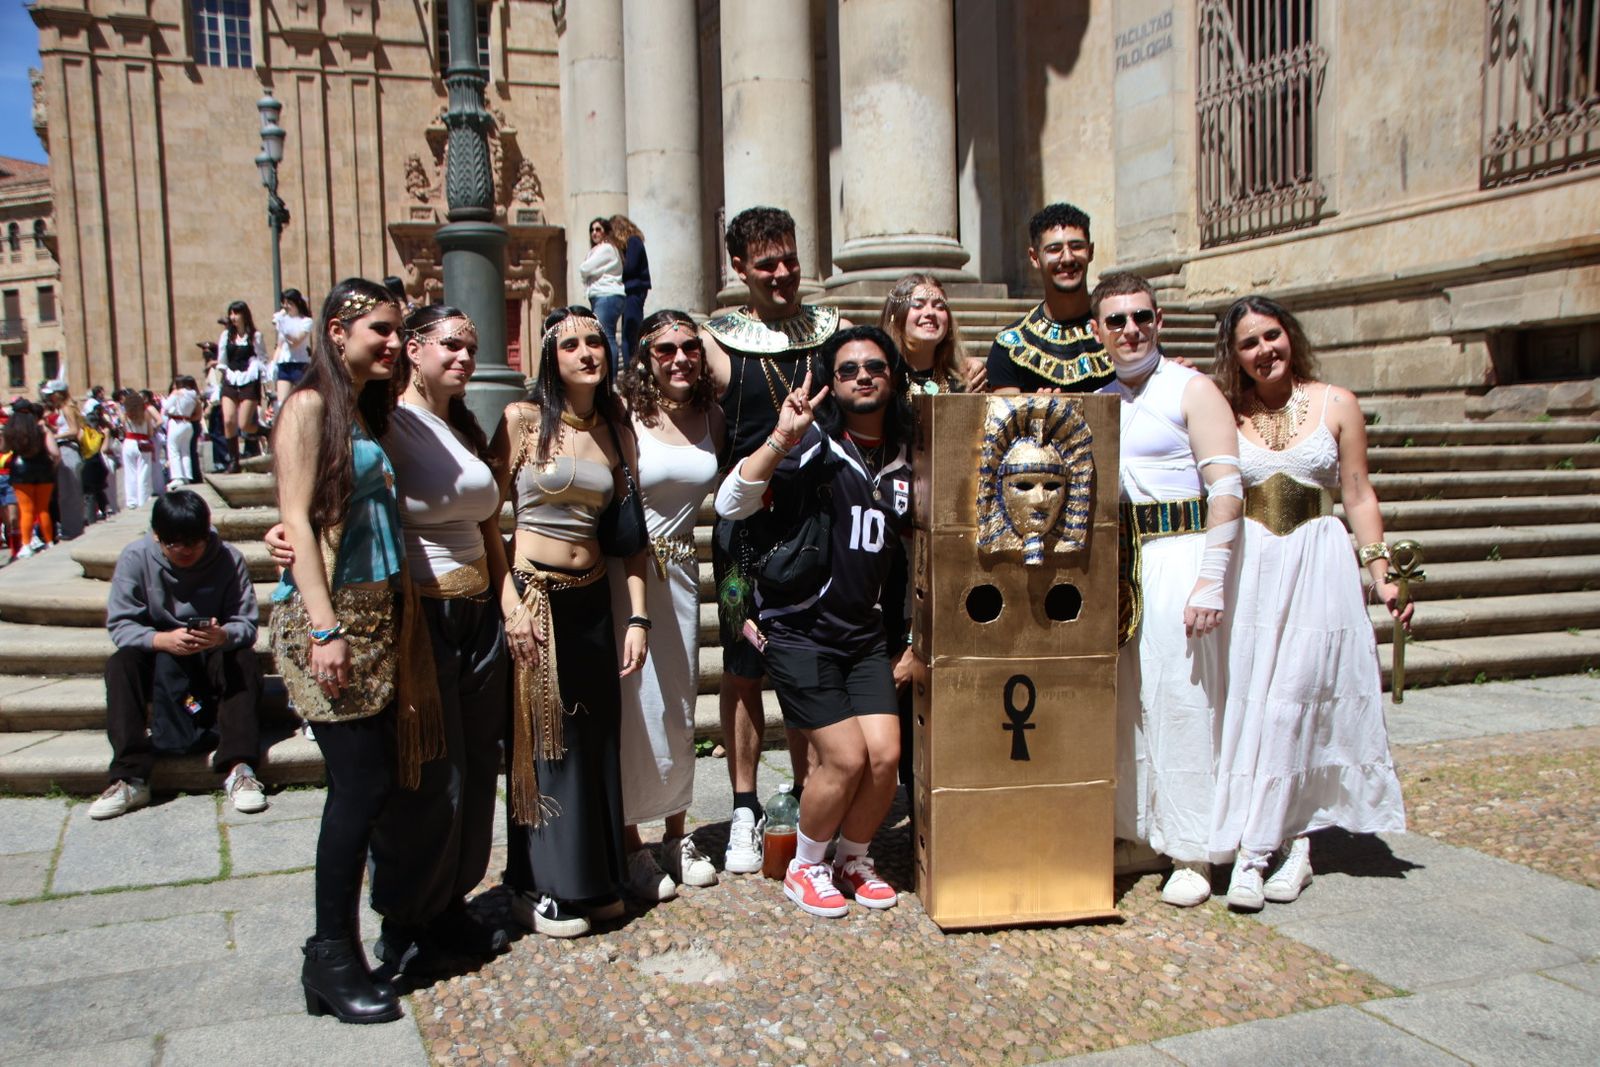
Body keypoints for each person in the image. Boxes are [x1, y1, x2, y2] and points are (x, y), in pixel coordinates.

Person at [270, 277, 438, 1025]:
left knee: (370, 788)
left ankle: (341, 951)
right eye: (382, 329)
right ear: (337, 331)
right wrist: (323, 628)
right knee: (358, 789)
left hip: (377, 618)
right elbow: (296, 521)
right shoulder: (307, 406)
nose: (395, 342)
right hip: (333, 622)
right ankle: (331, 954)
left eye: (399, 330)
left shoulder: (363, 410)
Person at [1208, 296, 1410, 910]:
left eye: (1272, 336)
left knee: (1296, 703)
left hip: (1318, 564)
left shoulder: (1336, 403)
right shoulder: (1226, 411)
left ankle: (1273, 851)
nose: (1264, 350)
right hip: (1252, 568)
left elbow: (1358, 492)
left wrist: (1382, 575)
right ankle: (1272, 841)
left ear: (1289, 336)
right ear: (1234, 355)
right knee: (1253, 703)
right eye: (1248, 343)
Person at [715, 325, 912, 917]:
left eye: (874, 367)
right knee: (845, 758)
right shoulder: (813, 445)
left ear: (893, 377)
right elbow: (730, 504)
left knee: (885, 758)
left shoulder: (910, 455)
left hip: (864, 635)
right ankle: (805, 864)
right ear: (832, 381)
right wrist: (782, 435)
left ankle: (852, 858)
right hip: (801, 630)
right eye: (848, 369)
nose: (862, 377)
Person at [492, 305, 650, 938]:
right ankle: (539, 884)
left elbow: (630, 537)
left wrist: (638, 617)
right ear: (550, 359)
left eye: (596, 341)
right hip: (535, 598)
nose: (587, 353)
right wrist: (509, 604)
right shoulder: (522, 420)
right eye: (571, 345)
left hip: (592, 603)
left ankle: (595, 877)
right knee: (546, 740)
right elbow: (484, 520)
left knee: (593, 741)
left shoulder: (616, 429)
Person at [701, 206, 848, 875]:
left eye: (790, 259)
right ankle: (743, 806)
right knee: (742, 665)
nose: (783, 273)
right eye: (767, 264)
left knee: (812, 659)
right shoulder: (716, 345)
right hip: (745, 533)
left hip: (818, 525)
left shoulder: (831, 331)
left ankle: (809, 793)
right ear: (740, 268)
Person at [1092, 272, 1242, 909]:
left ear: (1159, 321)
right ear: (1098, 331)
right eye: (1117, 320)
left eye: (1142, 317)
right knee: (1128, 700)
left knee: (1183, 699)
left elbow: (1228, 488)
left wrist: (1211, 578)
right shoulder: (1100, 398)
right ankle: (1140, 832)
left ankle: (1193, 849)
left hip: (1181, 552)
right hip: (1123, 563)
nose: (1131, 330)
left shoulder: (1192, 387)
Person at [612, 310, 724, 901]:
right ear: (645, 358)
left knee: (680, 704)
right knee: (634, 706)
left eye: (690, 347)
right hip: (627, 573)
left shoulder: (714, 416)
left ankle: (677, 833)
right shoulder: (623, 415)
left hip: (681, 570)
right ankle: (630, 842)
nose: (680, 358)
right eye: (665, 350)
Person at [90, 490, 265, 820]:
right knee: (121, 664)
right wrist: (160, 639)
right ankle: (130, 775)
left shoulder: (229, 559)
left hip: (211, 652)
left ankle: (239, 767)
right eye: (174, 543)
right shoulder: (135, 557)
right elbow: (121, 625)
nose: (185, 551)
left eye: (194, 543)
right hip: (158, 653)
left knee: (243, 660)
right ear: (157, 535)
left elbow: (246, 623)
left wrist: (222, 635)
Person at [988, 202, 1115, 396]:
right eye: (1054, 249)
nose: (1067, 258)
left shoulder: (1125, 329)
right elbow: (1004, 414)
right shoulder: (1010, 346)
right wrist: (1034, 410)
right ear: (1034, 257)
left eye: (1077, 247)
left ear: (1090, 252)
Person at [878, 273, 985, 398]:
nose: (930, 313)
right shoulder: (880, 379)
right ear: (895, 317)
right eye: (918, 306)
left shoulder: (966, 381)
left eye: (939, 307)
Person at [3, 400, 59, 557]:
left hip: (20, 470)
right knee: (43, 508)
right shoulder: (41, 429)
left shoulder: (11, 430)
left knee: (26, 510)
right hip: (43, 469)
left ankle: (27, 545)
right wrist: (53, 467)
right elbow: (55, 453)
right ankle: (49, 541)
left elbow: (4, 449)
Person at [218, 300, 266, 472]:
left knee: (244, 424)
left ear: (244, 315)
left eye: (236, 313)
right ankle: (234, 461)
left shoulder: (255, 336)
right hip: (231, 379)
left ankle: (267, 432)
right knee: (228, 420)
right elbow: (222, 360)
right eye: (231, 313)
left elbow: (262, 358)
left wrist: (261, 378)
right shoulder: (226, 336)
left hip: (248, 380)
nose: (233, 317)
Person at [42, 380, 87, 541]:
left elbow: (74, 430)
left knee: (69, 493)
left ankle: (72, 530)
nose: (49, 398)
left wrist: (55, 436)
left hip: (68, 449)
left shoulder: (67, 408)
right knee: (67, 493)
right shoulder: (65, 408)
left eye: (51, 395)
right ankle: (71, 528)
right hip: (67, 450)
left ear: (58, 394)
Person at [580, 217, 626, 366]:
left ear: (606, 231)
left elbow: (585, 268)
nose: (594, 233)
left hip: (607, 296)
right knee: (605, 335)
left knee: (606, 336)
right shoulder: (598, 249)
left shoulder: (606, 248)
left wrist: (588, 272)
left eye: (598, 229)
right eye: (592, 230)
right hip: (602, 296)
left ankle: (611, 376)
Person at [612, 214, 651, 364]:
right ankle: (631, 365)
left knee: (632, 331)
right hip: (629, 291)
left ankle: (634, 365)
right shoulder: (632, 243)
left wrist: (614, 268)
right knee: (628, 332)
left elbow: (630, 267)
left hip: (634, 290)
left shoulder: (633, 241)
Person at [272, 288, 316, 414]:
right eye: (284, 303)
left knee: (301, 401)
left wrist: (284, 327)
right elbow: (280, 346)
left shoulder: (306, 321)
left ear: (297, 303)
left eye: (290, 303)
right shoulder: (283, 321)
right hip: (284, 365)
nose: (286, 306)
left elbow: (296, 341)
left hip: (299, 365)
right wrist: (273, 364)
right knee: (282, 404)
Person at [119, 390, 160, 509]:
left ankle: (131, 501)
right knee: (143, 472)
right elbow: (150, 432)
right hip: (143, 442)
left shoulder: (124, 415)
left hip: (128, 442)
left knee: (129, 472)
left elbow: (124, 430)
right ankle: (143, 499)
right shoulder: (146, 413)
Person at [164, 375, 202, 485]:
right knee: (186, 451)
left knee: (173, 450)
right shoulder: (193, 394)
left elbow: (166, 407)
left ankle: (177, 476)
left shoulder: (177, 393)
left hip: (176, 422)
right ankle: (187, 475)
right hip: (188, 422)